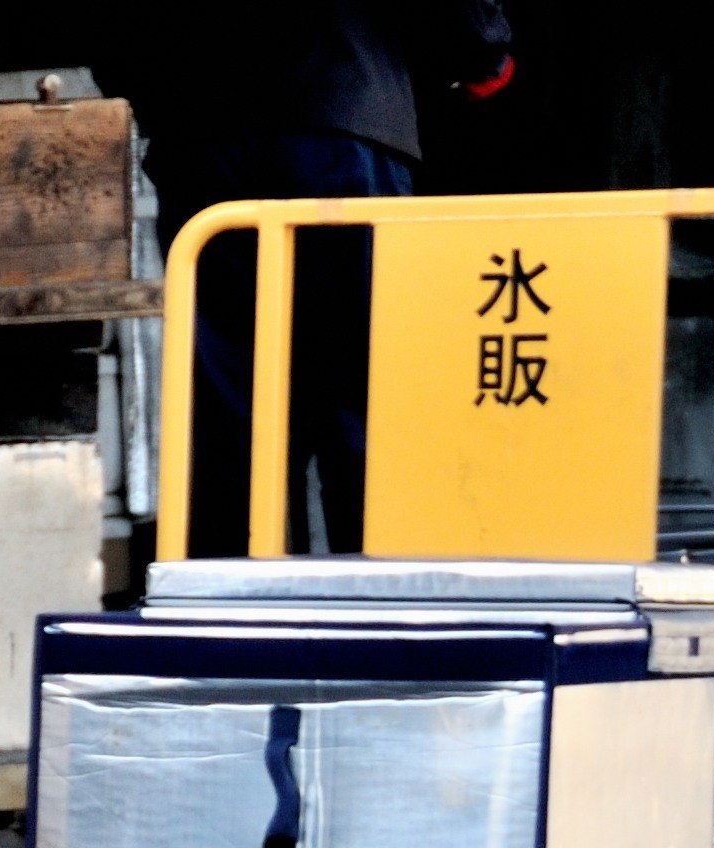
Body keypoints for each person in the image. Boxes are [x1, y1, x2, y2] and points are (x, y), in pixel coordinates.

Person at [108, 2, 514, 555]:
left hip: (203, 131)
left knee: (230, 411)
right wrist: (480, 52)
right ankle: (380, 607)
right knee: (363, 393)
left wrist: (157, 86)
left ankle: (236, 619)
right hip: (342, 111)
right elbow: (470, 37)